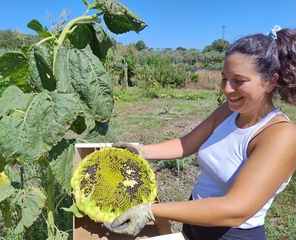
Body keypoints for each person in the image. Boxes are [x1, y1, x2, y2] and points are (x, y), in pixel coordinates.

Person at [102, 26, 296, 240]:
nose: (227, 89)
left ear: (270, 82)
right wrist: (140, 150)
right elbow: (186, 144)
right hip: (194, 224)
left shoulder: (280, 135)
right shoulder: (228, 112)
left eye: (238, 81)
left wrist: (150, 210)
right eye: (224, 78)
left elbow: (236, 209)